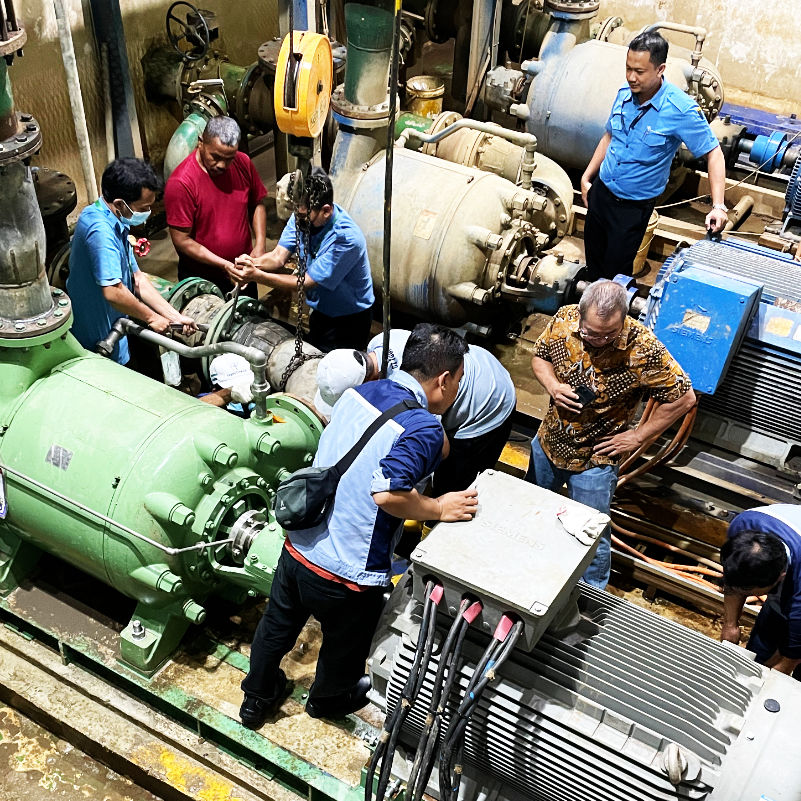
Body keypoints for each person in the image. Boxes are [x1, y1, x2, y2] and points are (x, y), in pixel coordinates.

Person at [239, 323, 477, 728]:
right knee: (344, 646)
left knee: (276, 626)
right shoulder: (423, 427)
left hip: (300, 543)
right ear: (444, 379)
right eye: (457, 384)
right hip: (349, 572)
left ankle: (256, 698)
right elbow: (387, 493)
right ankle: (328, 699)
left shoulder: (361, 392)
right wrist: (438, 507)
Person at [525, 279, 696, 589]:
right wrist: (552, 385)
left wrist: (639, 436)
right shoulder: (563, 318)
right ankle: (529, 570)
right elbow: (539, 358)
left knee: (591, 534)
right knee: (531, 513)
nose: (599, 340)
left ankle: (592, 597)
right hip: (548, 444)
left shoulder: (643, 347)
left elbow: (684, 398)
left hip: (596, 458)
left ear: (624, 318)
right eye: (590, 332)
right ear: (580, 314)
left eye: (609, 334)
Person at [580, 31, 727, 281]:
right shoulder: (624, 95)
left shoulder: (680, 109)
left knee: (613, 278)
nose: (631, 77)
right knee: (592, 265)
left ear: (660, 69)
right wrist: (587, 177)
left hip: (632, 209)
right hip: (601, 194)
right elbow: (609, 136)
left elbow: (714, 153)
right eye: (628, 69)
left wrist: (719, 206)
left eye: (639, 71)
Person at [314, 328, 517, 493]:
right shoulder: (379, 342)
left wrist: (423, 504)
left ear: (370, 382)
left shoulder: (417, 389)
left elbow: (436, 447)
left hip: (488, 401)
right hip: (469, 362)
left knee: (452, 484)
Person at [226, 167, 374, 352]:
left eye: (303, 216)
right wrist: (248, 263)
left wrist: (256, 276)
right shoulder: (302, 214)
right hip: (321, 309)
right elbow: (277, 257)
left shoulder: (346, 240)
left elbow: (306, 282)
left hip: (348, 318)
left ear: (326, 211)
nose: (297, 221)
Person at [67, 158, 195, 368]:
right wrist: (152, 318)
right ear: (120, 203)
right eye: (143, 208)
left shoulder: (115, 220)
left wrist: (173, 316)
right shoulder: (100, 231)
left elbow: (138, 280)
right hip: (97, 343)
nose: (147, 214)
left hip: (117, 330)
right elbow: (113, 292)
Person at [164, 116, 267, 295]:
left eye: (229, 158)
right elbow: (182, 241)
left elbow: (257, 203)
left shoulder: (243, 163)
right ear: (200, 143)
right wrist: (224, 265)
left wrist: (260, 245)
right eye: (216, 156)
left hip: (243, 272)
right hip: (204, 281)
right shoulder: (181, 183)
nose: (222, 165)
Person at [720, 505, 801, 678]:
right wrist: (730, 624)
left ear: (780, 577)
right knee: (760, 649)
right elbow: (733, 578)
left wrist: (768, 675)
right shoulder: (742, 527)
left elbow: (791, 656)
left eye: (749, 590)